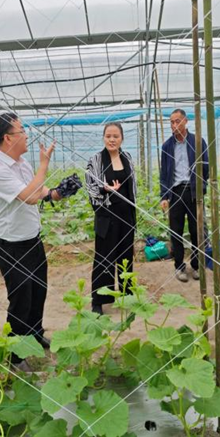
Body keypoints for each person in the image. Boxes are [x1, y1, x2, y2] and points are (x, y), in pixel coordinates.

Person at [0, 112, 62, 370]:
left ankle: (34, 334)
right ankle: (15, 357)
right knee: (21, 299)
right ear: (8, 138)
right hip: (12, 246)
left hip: (32, 239)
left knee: (39, 290)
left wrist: (55, 193)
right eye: (21, 131)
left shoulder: (21, 163)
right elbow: (28, 196)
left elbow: (38, 190)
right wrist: (44, 166)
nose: (26, 135)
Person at [86, 123, 137, 315]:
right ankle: (99, 300)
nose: (112, 140)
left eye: (116, 136)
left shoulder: (127, 158)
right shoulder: (96, 160)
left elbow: (132, 187)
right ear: (103, 138)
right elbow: (90, 187)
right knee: (104, 258)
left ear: (122, 138)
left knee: (125, 257)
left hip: (126, 216)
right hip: (106, 217)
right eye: (108, 136)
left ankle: (127, 295)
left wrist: (133, 214)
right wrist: (104, 189)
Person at [159, 109, 209, 282]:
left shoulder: (197, 141)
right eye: (172, 122)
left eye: (177, 121)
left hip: (193, 191)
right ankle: (179, 266)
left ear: (186, 121)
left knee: (197, 230)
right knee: (176, 231)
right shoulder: (167, 146)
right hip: (175, 192)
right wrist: (164, 196)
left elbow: (205, 166)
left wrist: (201, 187)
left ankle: (196, 265)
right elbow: (164, 173)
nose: (174, 125)